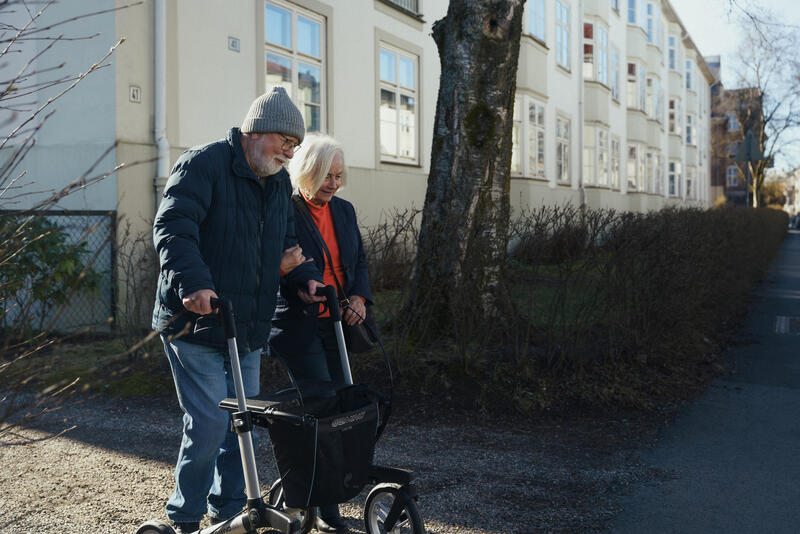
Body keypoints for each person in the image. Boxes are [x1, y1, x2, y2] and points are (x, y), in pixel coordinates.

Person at [152, 87, 324, 534]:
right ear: (256, 132)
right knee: (210, 421)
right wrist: (194, 283)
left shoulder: (278, 182)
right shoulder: (202, 164)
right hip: (194, 320)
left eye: (295, 145)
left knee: (241, 423)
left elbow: (285, 243)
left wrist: (302, 278)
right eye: (286, 142)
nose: (291, 152)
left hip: (246, 324)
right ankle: (185, 517)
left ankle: (230, 513)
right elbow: (173, 228)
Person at [270, 134, 372, 534]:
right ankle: (326, 508)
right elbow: (292, 262)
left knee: (345, 406)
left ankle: (324, 493)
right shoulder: (288, 209)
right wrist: (309, 285)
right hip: (301, 321)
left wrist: (360, 297)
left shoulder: (343, 211)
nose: (333, 183)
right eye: (326, 175)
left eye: (338, 175)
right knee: (323, 406)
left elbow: (358, 260)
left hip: (339, 321)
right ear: (307, 172)